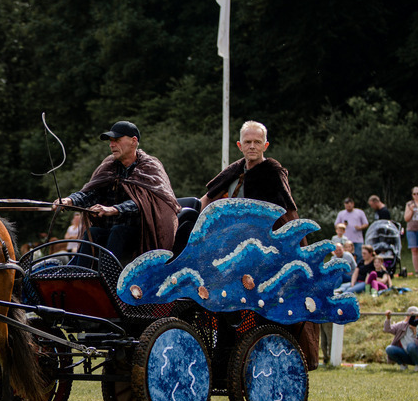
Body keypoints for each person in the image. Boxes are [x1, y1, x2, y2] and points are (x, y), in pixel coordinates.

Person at [201, 120, 319, 368]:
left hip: (264, 254)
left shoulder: (272, 172)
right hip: (230, 253)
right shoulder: (234, 172)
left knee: (267, 306)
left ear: (266, 145)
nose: (252, 146)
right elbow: (207, 201)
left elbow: (286, 213)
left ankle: (269, 357)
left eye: (257, 142)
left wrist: (292, 246)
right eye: (248, 142)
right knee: (225, 303)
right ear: (239, 145)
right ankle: (225, 359)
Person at [55, 121, 179, 264]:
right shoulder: (109, 167)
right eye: (110, 141)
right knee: (93, 232)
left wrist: (114, 209)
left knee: (119, 230)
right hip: (112, 233)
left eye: (117, 140)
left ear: (133, 141)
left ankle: (109, 274)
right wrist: (69, 201)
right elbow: (92, 194)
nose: (111, 145)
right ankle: (81, 274)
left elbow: (143, 202)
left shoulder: (150, 167)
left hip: (143, 235)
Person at [403, 187, 418, 275]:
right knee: (414, 250)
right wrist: (411, 211)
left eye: (417, 194)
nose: (416, 196)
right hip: (411, 229)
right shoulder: (409, 204)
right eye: (414, 194)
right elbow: (406, 218)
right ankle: (417, 271)